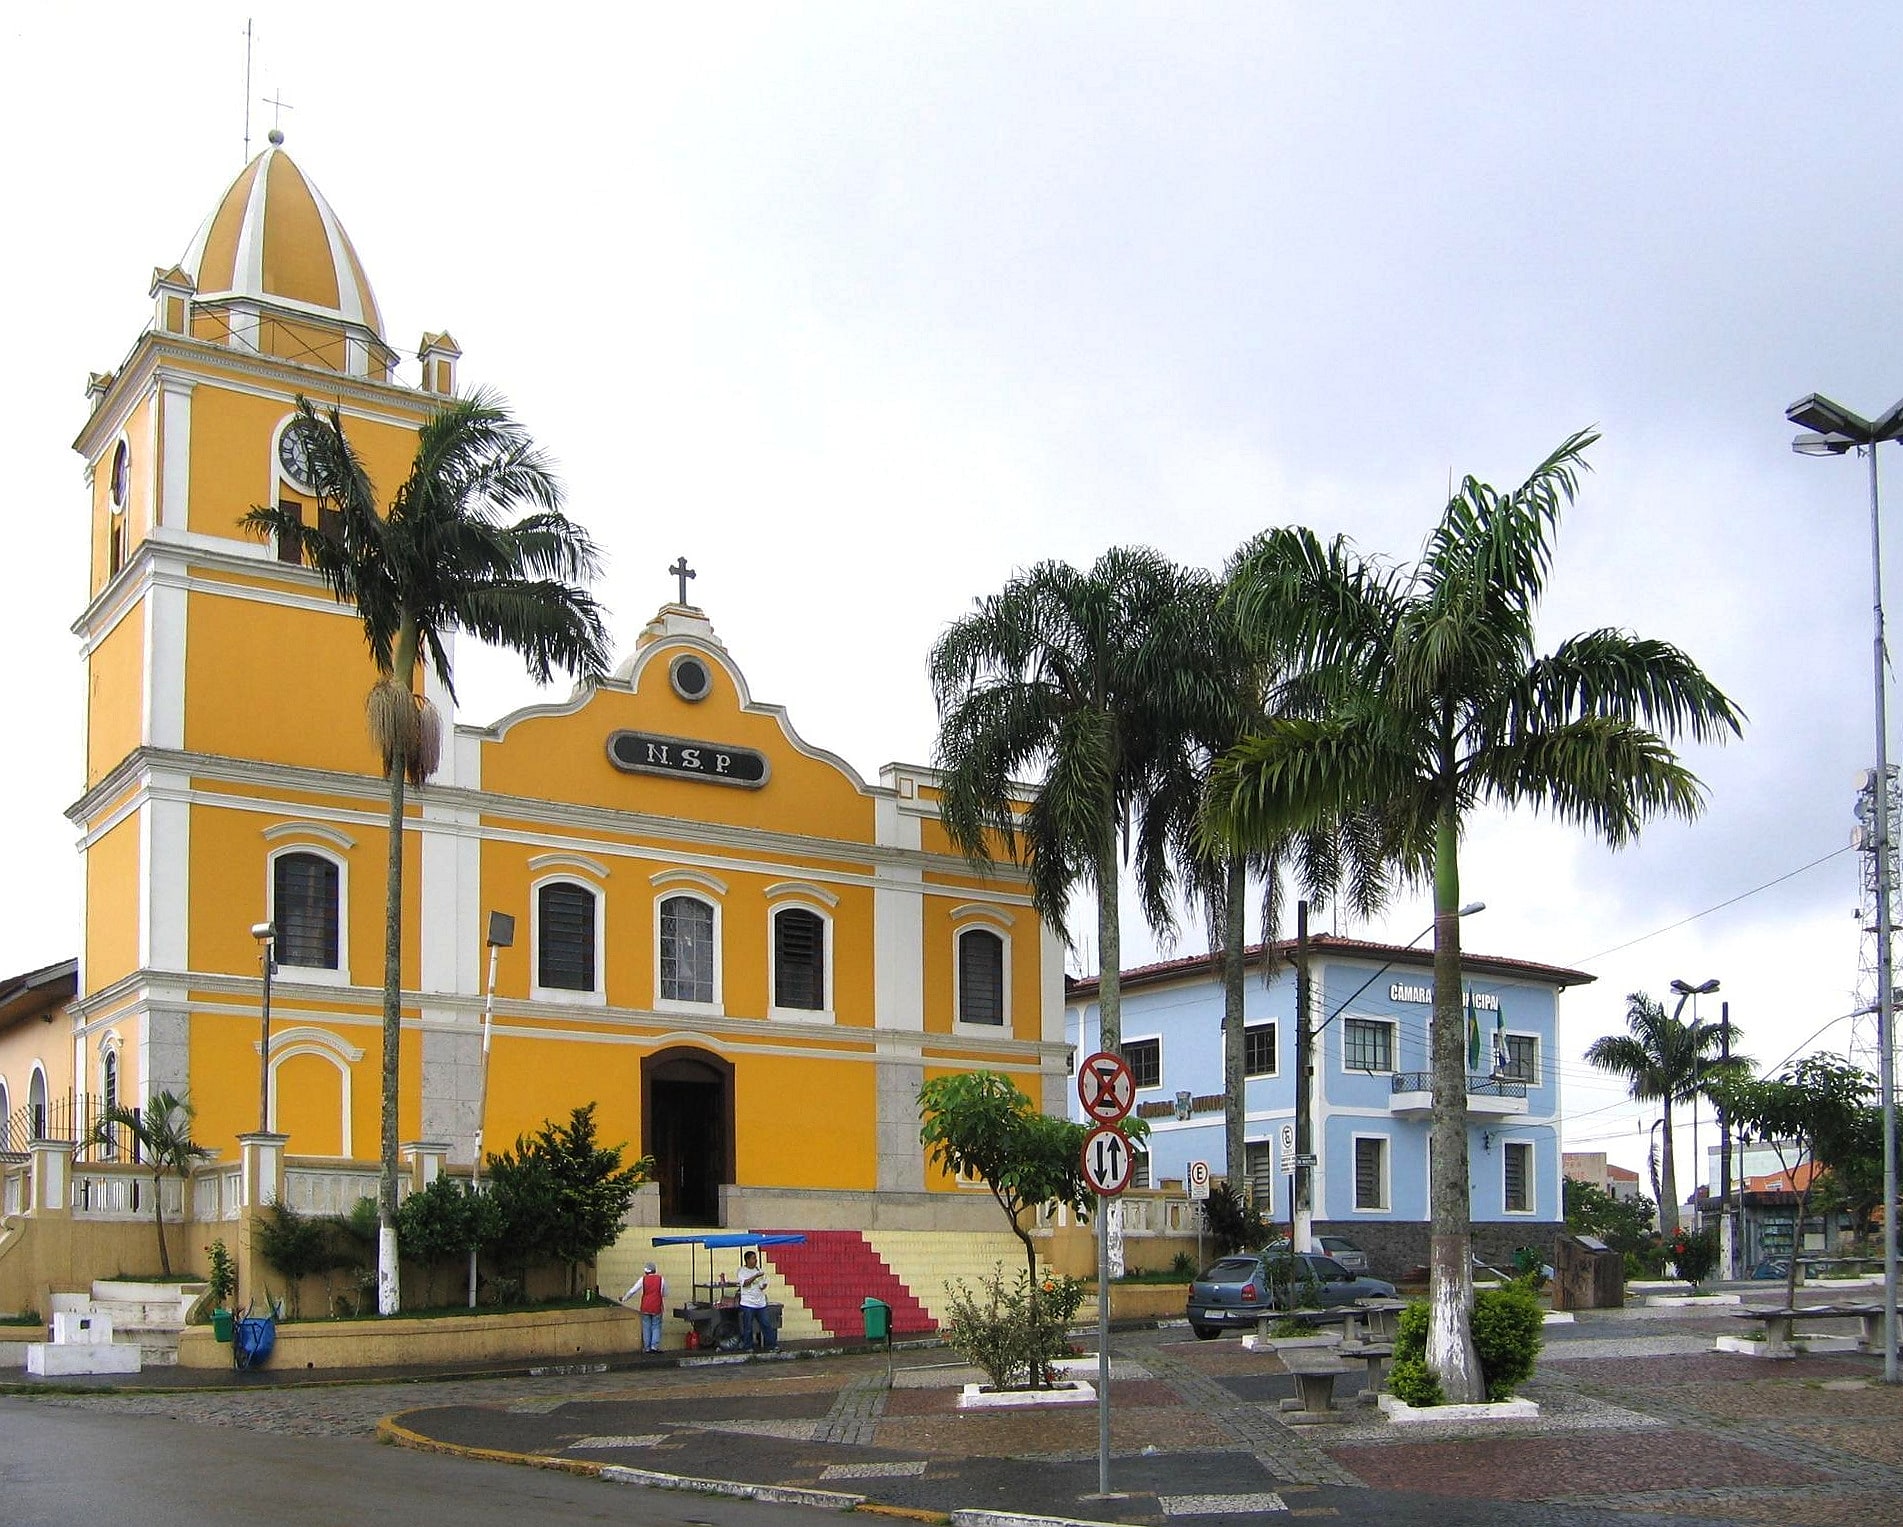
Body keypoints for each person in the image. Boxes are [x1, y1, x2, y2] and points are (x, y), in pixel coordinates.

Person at [622, 1262, 667, 1353]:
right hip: (657, 1306)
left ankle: (647, 1348)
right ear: (655, 1270)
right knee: (656, 1326)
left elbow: (633, 1291)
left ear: (646, 1272)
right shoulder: (661, 1279)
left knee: (646, 1326)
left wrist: (624, 1299)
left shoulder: (642, 1280)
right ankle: (654, 1346)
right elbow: (665, 1293)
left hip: (645, 1306)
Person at [736, 1249, 775, 1351]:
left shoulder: (758, 1270)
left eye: (756, 1258)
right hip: (748, 1303)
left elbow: (762, 1284)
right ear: (747, 1260)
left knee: (766, 1324)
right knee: (748, 1326)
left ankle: (772, 1345)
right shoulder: (742, 1271)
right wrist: (755, 1276)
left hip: (760, 1303)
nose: (756, 1260)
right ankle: (748, 1346)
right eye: (753, 1258)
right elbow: (745, 1283)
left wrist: (763, 1285)